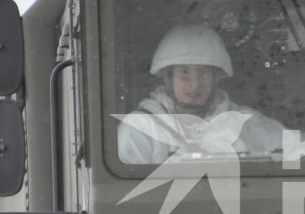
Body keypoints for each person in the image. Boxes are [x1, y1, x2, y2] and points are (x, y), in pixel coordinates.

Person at [117, 23, 287, 164]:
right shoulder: (141, 129)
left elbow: (299, 158)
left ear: (216, 78)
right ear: (168, 78)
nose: (195, 83)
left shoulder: (247, 125)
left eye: (204, 73)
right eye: (184, 72)